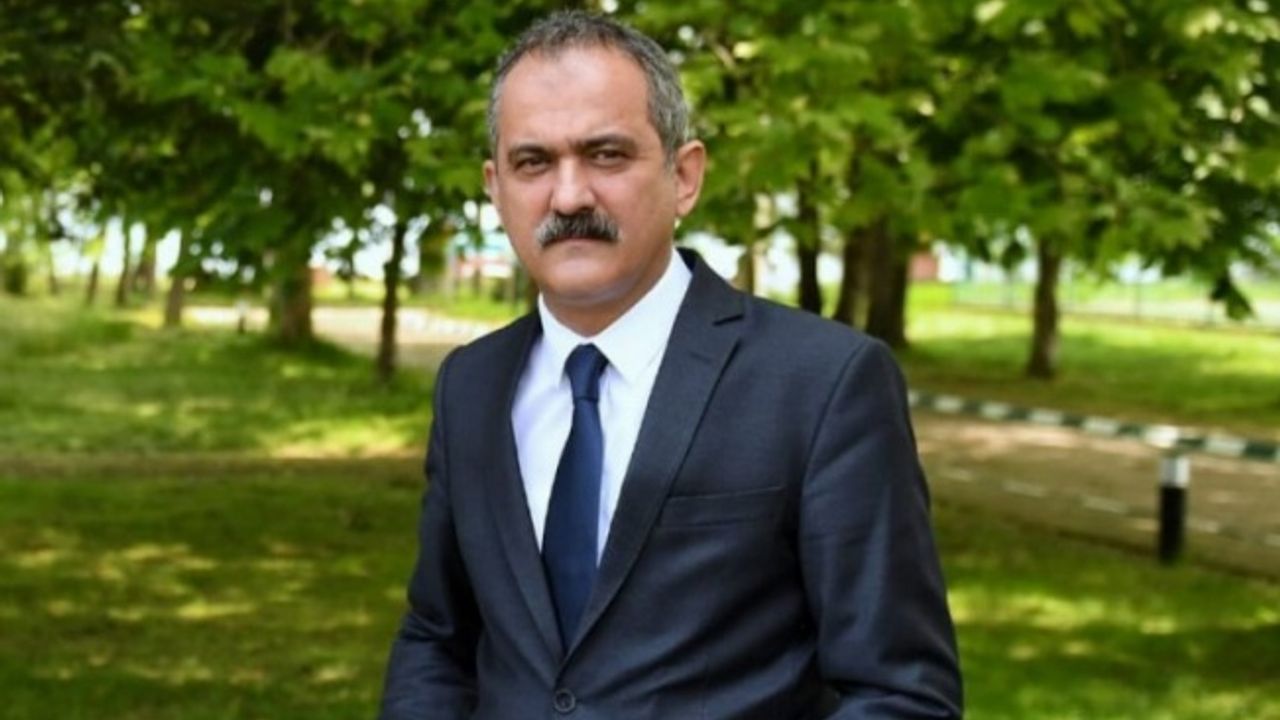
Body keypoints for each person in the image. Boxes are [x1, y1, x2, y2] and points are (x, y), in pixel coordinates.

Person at [379, 10, 962, 719]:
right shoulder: (470, 386)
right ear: (495, 187)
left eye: (606, 155)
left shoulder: (822, 384)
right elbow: (438, 638)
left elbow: (900, 692)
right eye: (533, 162)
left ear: (684, 176)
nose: (569, 196)